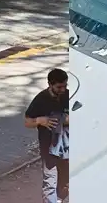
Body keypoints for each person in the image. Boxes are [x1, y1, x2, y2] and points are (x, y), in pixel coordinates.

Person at [25, 68, 70, 203]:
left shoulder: (69, 96)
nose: (63, 90)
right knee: (49, 181)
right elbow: (27, 122)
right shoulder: (41, 99)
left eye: (65, 86)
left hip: (67, 149)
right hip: (48, 147)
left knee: (65, 182)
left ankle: (60, 199)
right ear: (50, 84)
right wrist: (40, 120)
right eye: (59, 87)